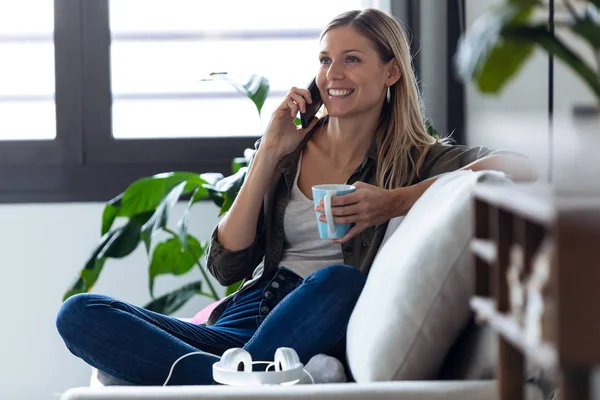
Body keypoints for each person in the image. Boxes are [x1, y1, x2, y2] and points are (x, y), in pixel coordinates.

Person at [56, 8, 538, 386]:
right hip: (250, 320)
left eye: (352, 59)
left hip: (321, 314)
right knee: (80, 313)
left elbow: (521, 167)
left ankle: (216, 380)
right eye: (325, 60)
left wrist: (394, 201)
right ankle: (234, 381)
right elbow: (226, 267)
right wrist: (269, 150)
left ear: (391, 73)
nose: (333, 74)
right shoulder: (292, 147)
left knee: (340, 281)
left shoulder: (417, 157)